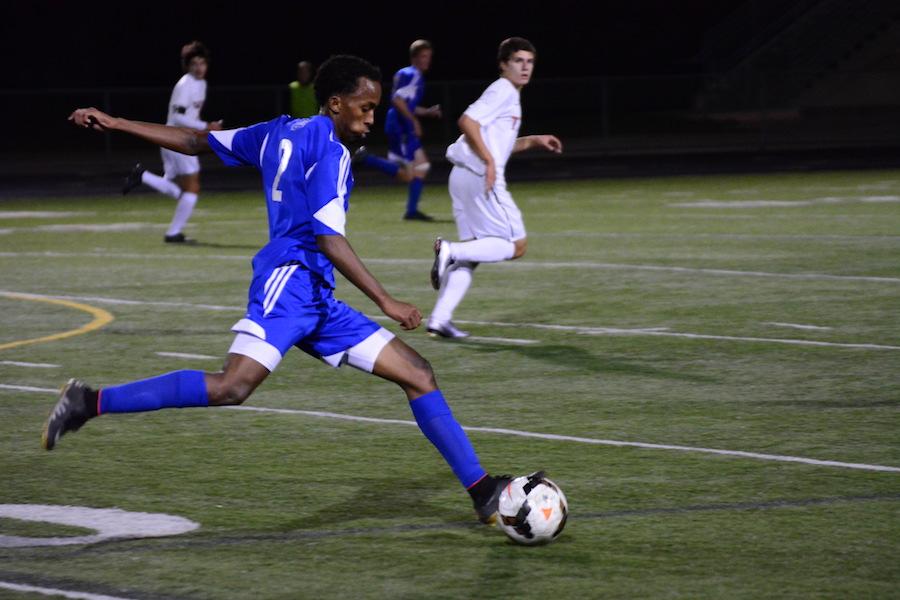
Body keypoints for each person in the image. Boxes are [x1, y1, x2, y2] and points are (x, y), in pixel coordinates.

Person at [49, 55, 511, 525]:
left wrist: (116, 122)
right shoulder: (330, 151)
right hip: (289, 285)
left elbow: (193, 140)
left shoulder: (279, 130)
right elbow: (330, 238)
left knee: (417, 372)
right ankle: (89, 401)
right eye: (365, 107)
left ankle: (482, 490)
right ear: (336, 104)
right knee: (232, 387)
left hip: (317, 297)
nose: (373, 117)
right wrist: (385, 300)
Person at [428, 38, 562, 338]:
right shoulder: (503, 90)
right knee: (516, 246)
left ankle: (439, 319)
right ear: (504, 64)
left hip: (461, 176)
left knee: (472, 255)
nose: (525, 67)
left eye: (529, 62)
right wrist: (489, 161)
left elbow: (495, 142)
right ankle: (450, 250)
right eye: (518, 61)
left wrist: (533, 140)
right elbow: (467, 121)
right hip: (480, 176)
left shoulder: (508, 94)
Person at [122, 41, 223, 243]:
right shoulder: (185, 84)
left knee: (177, 188)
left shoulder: (201, 84)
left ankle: (142, 176)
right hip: (178, 140)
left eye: (202, 63)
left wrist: (204, 126)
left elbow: (188, 115)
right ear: (187, 65)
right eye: (194, 63)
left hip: (176, 139)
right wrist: (206, 126)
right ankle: (173, 233)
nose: (199, 67)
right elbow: (178, 119)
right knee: (192, 189)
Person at [362, 40, 442, 220]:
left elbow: (406, 103)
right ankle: (367, 159)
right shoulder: (413, 75)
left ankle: (412, 211)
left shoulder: (409, 74)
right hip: (401, 127)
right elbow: (397, 100)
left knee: (422, 166)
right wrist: (414, 121)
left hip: (401, 123)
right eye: (423, 56)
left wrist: (426, 112)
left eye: (429, 57)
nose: (426, 60)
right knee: (407, 174)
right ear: (413, 57)